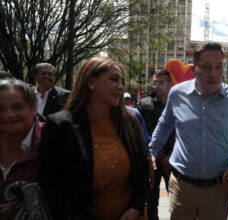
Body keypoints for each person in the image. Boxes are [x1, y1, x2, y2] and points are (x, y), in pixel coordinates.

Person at [149, 42, 228, 220]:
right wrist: (152, 151)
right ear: (195, 69)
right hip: (181, 187)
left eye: (219, 66)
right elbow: (165, 124)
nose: (214, 73)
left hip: (218, 189)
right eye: (206, 67)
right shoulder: (177, 94)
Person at [38, 57, 149, 220]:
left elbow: (143, 172)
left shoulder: (130, 122)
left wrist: (134, 209)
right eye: (113, 79)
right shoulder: (61, 125)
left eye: (122, 81)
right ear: (91, 82)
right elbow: (51, 186)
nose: (120, 86)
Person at [0, 79, 45, 220]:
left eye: (17, 107)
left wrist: (24, 204)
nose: (8, 115)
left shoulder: (56, 140)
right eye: (0, 109)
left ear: (34, 108)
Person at [138, 69, 174, 220]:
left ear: (170, 85)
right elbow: (139, 132)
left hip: (172, 161)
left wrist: (172, 154)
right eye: (155, 83)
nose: (157, 86)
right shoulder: (144, 105)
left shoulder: (178, 104)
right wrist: (153, 151)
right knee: (151, 202)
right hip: (151, 161)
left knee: (175, 201)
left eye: (161, 83)